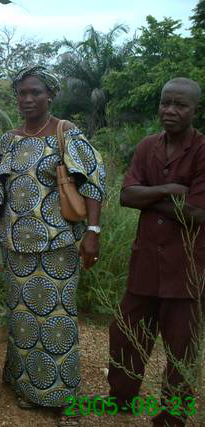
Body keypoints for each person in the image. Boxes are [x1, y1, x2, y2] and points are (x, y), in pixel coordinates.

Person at [0, 66, 106, 426]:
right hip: (15, 246)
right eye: (22, 93)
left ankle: (65, 397)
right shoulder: (9, 140)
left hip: (57, 246)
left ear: (50, 95)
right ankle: (29, 387)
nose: (27, 99)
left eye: (35, 92)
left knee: (57, 319)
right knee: (22, 321)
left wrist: (93, 230)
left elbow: (92, 182)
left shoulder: (66, 133)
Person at [107, 78, 205, 427]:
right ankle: (120, 402)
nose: (170, 110)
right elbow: (124, 196)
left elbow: (197, 213)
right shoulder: (148, 147)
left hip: (187, 268)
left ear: (195, 110)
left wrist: (148, 198)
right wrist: (168, 190)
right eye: (165, 103)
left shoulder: (202, 151)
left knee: (182, 348)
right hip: (145, 263)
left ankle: (172, 417)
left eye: (180, 105)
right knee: (124, 333)